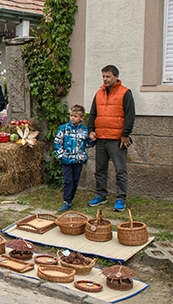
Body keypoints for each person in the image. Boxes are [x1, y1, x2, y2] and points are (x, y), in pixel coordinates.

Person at [87, 65, 135, 212]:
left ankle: (121, 198)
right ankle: (101, 195)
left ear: (116, 77)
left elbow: (130, 115)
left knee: (120, 170)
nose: (105, 79)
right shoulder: (99, 93)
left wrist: (125, 134)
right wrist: (91, 130)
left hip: (117, 139)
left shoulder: (125, 93)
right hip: (100, 138)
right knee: (100, 170)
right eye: (103, 76)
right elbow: (93, 114)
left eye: (108, 76)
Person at [54, 105, 93, 212]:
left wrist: (92, 140)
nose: (72, 118)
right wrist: (61, 155)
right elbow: (57, 142)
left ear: (81, 118)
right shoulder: (64, 128)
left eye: (75, 116)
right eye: (71, 115)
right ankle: (66, 201)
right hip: (66, 160)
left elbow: (87, 144)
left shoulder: (84, 130)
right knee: (68, 180)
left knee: (75, 180)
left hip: (78, 160)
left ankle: (70, 200)